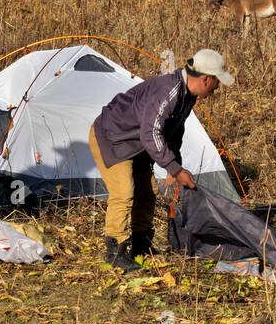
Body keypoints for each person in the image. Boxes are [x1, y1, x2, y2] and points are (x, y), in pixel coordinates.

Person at [88, 48, 235, 271]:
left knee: (148, 192)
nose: (218, 88)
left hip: (136, 141)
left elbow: (174, 131)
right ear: (206, 79)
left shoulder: (188, 97)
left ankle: (141, 246)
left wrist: (172, 163)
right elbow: (151, 133)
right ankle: (115, 251)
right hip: (112, 137)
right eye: (218, 82)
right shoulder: (169, 91)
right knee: (124, 192)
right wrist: (175, 170)